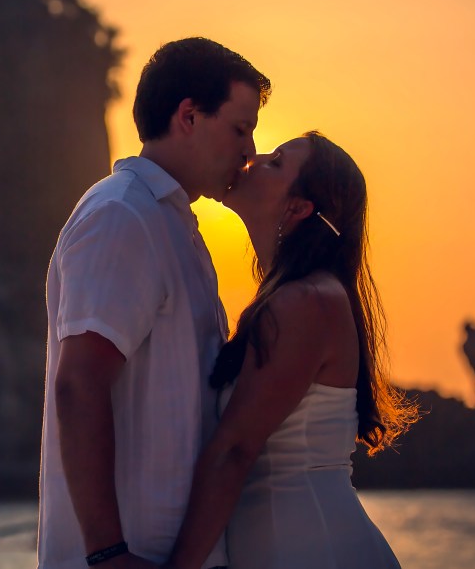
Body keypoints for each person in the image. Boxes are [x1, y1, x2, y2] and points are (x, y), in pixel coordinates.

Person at [37, 37, 271, 569]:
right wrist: (108, 553)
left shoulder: (172, 222)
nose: (250, 151)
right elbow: (79, 382)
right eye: (240, 129)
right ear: (189, 116)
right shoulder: (122, 215)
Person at [163, 132, 417, 569]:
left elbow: (235, 450)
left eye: (276, 161)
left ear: (298, 208)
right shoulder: (296, 297)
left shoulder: (306, 302)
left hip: (313, 549)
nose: (253, 158)